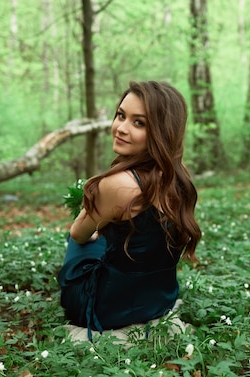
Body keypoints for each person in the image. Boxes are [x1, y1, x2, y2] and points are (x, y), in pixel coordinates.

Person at [57, 81, 202, 340]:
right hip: (159, 301)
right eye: (121, 115)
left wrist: (89, 211)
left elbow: (79, 234)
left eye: (139, 123)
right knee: (114, 239)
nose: (121, 128)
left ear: (161, 131)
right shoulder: (180, 179)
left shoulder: (116, 185)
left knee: (78, 240)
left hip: (106, 310)